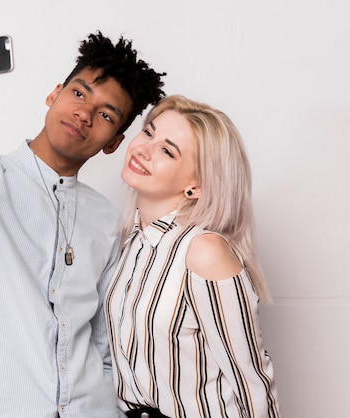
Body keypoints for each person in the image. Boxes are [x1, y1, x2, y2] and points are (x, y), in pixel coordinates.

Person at [0, 31, 165, 417]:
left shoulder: (109, 221)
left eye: (106, 114)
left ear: (114, 142)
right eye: (78, 93)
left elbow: (108, 345)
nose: (84, 113)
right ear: (54, 94)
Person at [105, 95, 280, 418]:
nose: (143, 149)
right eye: (148, 132)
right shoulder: (131, 244)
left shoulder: (203, 251)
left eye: (167, 150)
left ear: (195, 186)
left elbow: (250, 381)